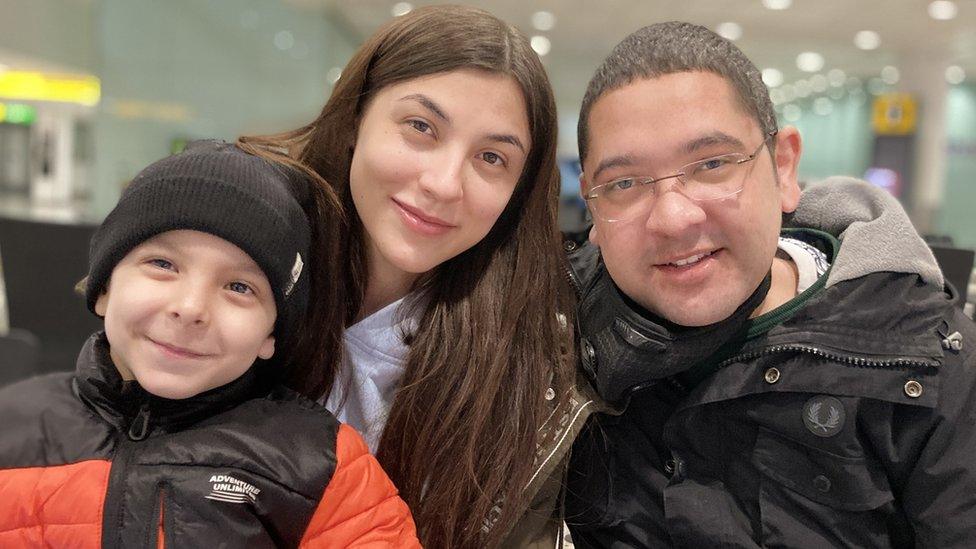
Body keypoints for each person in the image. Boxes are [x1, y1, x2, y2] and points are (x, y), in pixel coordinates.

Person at [563, 21, 976, 548]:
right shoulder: (558, 343)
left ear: (783, 168)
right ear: (593, 205)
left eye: (712, 164)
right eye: (623, 183)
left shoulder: (930, 364)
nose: (672, 218)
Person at [238, 6, 583, 547]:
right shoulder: (237, 270)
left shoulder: (530, 372)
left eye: (492, 158)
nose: (445, 183)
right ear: (356, 118)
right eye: (421, 127)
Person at [0, 141, 420, 548]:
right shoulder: (12, 423)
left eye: (239, 287)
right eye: (162, 264)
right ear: (104, 287)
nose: (190, 307)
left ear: (270, 335)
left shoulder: (321, 464)